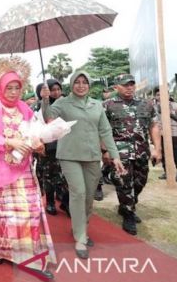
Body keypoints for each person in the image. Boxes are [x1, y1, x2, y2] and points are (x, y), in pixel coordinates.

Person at [0, 57, 56, 281]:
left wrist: (38, 143)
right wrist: (9, 142)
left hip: (21, 169)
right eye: (10, 87)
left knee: (28, 210)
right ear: (0, 87)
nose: (14, 92)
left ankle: (28, 258)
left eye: (18, 87)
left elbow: (33, 131)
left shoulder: (25, 108)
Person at [41, 71, 124, 259]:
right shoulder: (62, 102)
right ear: (71, 84)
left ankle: (80, 227)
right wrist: (45, 100)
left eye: (84, 82)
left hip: (93, 156)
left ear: (89, 85)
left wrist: (115, 155)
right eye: (77, 82)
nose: (80, 85)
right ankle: (80, 237)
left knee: (88, 196)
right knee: (78, 192)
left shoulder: (97, 105)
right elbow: (48, 117)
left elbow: (105, 130)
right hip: (69, 156)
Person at [102, 74, 161, 235]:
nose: (129, 87)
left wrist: (157, 149)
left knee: (140, 182)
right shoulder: (107, 105)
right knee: (123, 183)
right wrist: (105, 150)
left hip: (141, 151)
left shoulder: (146, 104)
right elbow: (101, 130)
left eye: (131, 84)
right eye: (125, 85)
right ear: (116, 87)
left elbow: (154, 126)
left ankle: (127, 205)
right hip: (119, 153)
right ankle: (128, 214)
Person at [34, 79, 69, 217]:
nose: (56, 92)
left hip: (66, 145)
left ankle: (65, 201)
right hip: (49, 148)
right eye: (52, 89)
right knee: (49, 175)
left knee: (66, 176)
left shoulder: (67, 104)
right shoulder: (40, 105)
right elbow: (37, 122)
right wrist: (45, 100)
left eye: (58, 89)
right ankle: (49, 201)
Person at [154, 87, 177, 182]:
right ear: (155, 96)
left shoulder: (176, 106)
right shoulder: (154, 108)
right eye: (158, 95)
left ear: (168, 95)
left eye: (163, 94)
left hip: (174, 133)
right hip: (161, 134)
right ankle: (166, 172)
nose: (160, 96)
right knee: (163, 154)